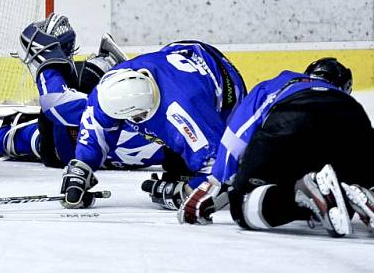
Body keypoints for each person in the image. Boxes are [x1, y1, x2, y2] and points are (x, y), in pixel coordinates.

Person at [13, 14, 247, 209]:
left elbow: (222, 174)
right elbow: (92, 125)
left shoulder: (183, 115)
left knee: (182, 164)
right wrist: (80, 169)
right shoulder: (110, 88)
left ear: (145, 112)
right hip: (180, 60)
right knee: (61, 125)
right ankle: (98, 65)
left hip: (225, 99)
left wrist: (184, 191)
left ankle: (94, 65)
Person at [178, 58, 374, 237]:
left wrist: (217, 180)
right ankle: (356, 193)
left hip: (292, 116)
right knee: (341, 197)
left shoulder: (282, 82)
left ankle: (302, 193)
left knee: (244, 203)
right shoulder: (347, 99)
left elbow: (240, 130)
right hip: (351, 120)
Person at [0, 20, 168, 171]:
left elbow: (57, 104)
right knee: (38, 132)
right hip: (76, 140)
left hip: (67, 145)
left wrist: (44, 60)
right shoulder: (187, 134)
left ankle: (94, 69)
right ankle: (96, 69)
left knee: (41, 130)